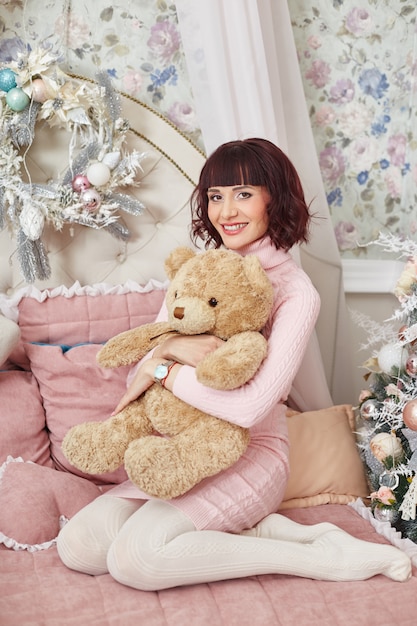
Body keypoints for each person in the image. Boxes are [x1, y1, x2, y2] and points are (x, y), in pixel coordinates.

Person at [57, 138, 411, 589]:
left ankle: (324, 556)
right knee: (80, 545)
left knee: (137, 561)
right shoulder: (198, 273)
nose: (226, 211)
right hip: (184, 445)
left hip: (252, 452)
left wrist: (164, 367)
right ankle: (272, 532)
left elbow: (249, 408)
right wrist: (165, 352)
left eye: (243, 193)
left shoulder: (296, 292)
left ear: (274, 199)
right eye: (215, 196)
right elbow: (137, 371)